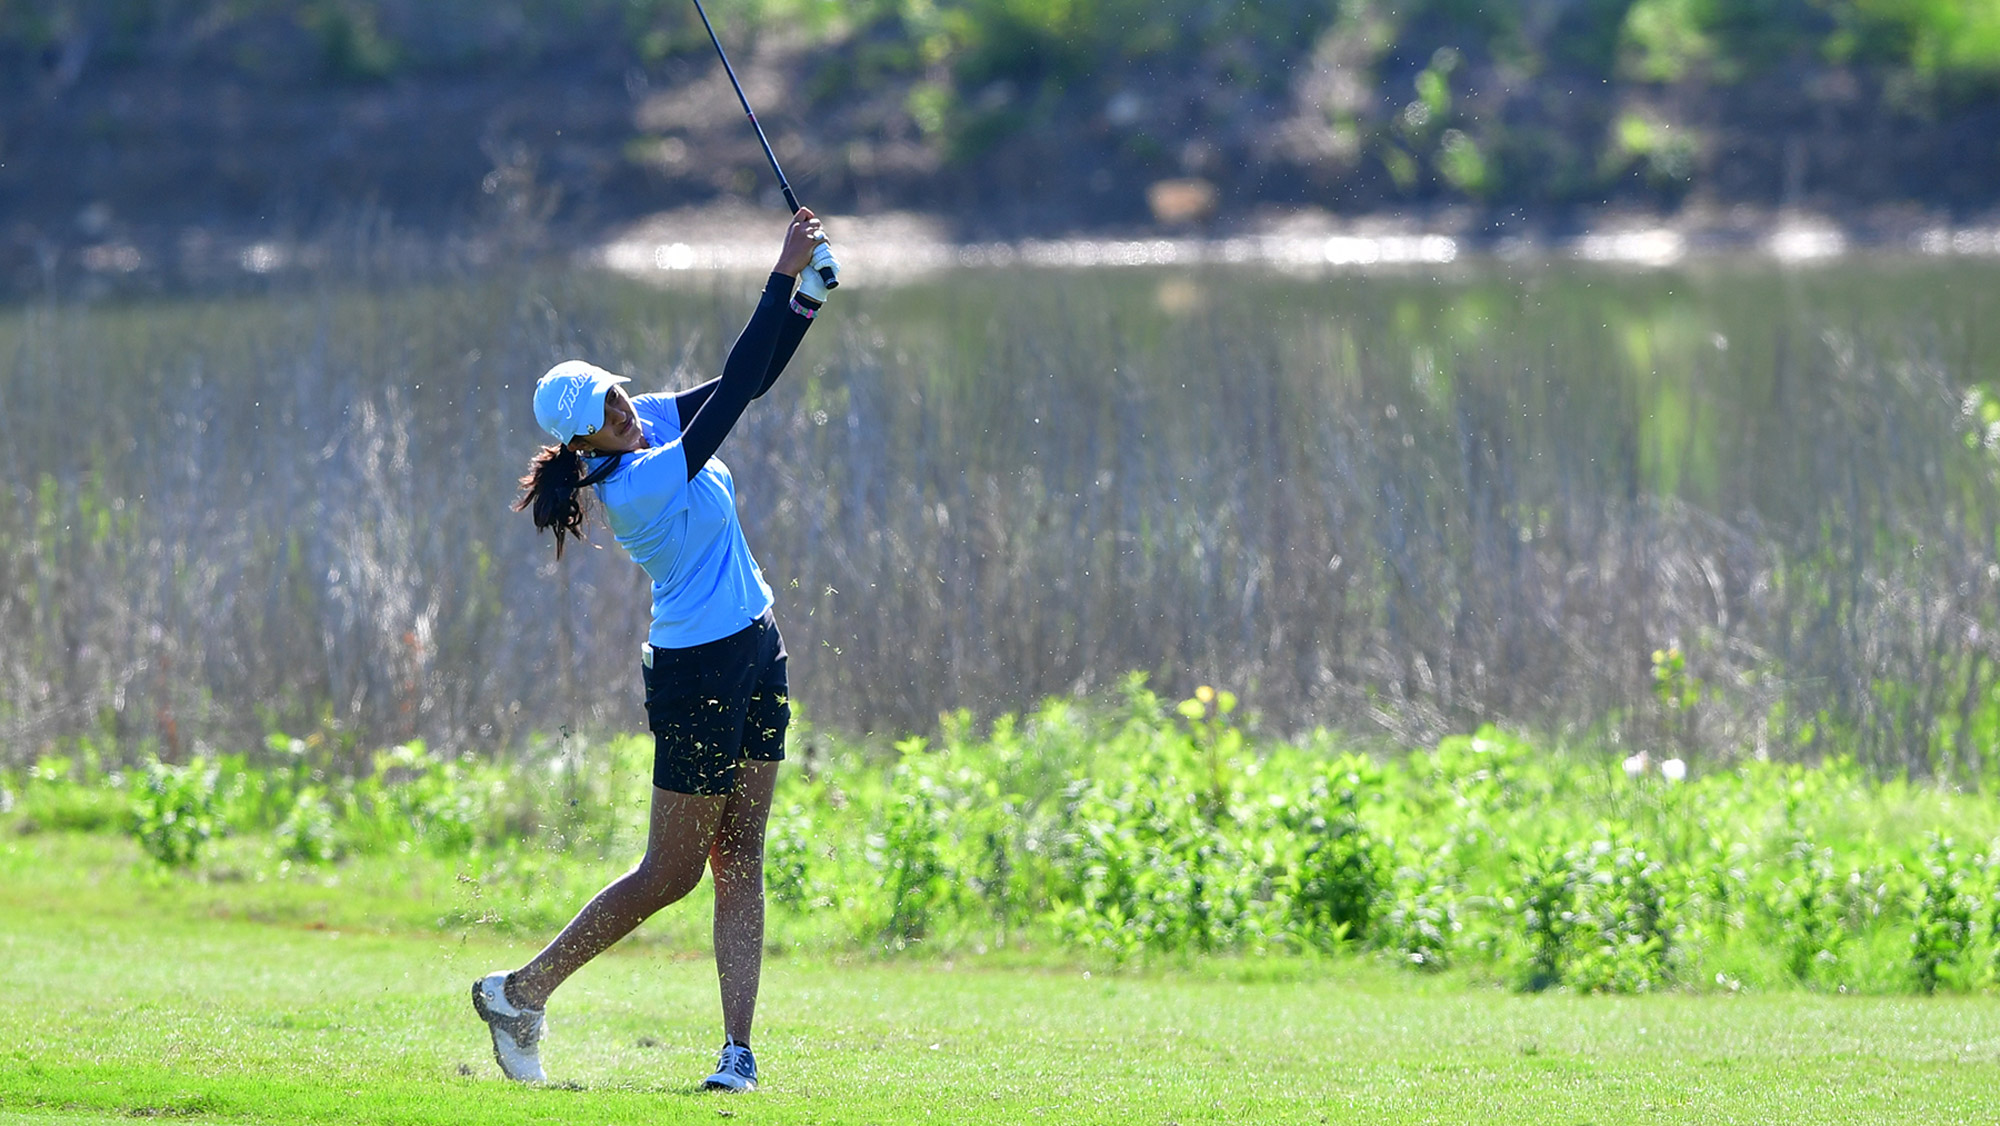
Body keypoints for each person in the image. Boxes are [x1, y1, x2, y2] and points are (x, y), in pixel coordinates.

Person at [473, 208, 833, 1093]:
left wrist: (806, 304)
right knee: (671, 873)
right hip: (697, 672)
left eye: (618, 395)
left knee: (741, 855)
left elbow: (745, 382)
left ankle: (737, 1054)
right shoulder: (632, 483)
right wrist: (779, 274)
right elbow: (734, 394)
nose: (626, 411)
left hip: (758, 647)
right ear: (583, 445)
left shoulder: (645, 429)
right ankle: (519, 993)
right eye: (607, 413)